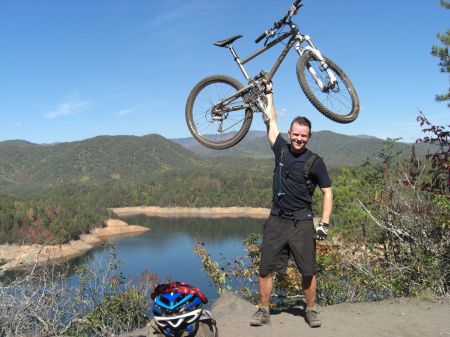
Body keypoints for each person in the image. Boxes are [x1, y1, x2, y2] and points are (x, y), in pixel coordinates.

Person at [250, 83, 333, 328]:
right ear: (290, 132)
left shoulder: (316, 162)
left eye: (303, 135)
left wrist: (324, 224)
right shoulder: (281, 150)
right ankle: (264, 309)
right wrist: (269, 92)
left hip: (302, 222)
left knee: (308, 269)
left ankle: (311, 310)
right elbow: (270, 119)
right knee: (265, 268)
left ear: (309, 137)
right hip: (276, 219)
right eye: (295, 134)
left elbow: (327, 193)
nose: (298, 138)